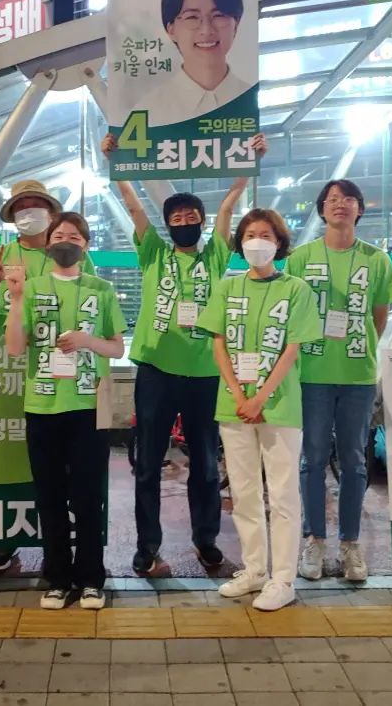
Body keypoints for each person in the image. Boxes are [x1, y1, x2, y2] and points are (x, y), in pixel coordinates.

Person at [101, 133, 265, 574]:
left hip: (206, 373)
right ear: (167, 225)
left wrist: (248, 165)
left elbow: (229, 207)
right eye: (176, 217)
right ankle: (147, 546)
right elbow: (134, 209)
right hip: (156, 370)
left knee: (207, 464)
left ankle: (205, 540)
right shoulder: (153, 253)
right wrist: (116, 163)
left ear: (202, 223)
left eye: (192, 217)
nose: (184, 222)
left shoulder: (215, 256)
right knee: (148, 464)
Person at [0, 179, 95, 573]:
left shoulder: (73, 254)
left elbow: (92, 308)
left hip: (63, 371)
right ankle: (8, 534)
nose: (30, 212)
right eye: (22, 206)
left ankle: (64, 541)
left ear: (53, 214)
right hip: (10, 369)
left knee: (65, 463)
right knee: (14, 455)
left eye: (38, 205)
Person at [196, 209, 321, 611]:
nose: (257, 242)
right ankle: (254, 571)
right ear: (240, 242)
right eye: (250, 234)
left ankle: (283, 579)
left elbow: (293, 348)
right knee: (244, 492)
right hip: (233, 405)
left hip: (280, 406)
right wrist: (238, 394)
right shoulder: (227, 288)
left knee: (282, 494)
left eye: (266, 235)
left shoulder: (296, 289)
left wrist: (260, 397)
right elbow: (218, 343)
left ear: (279, 243)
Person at [5, 212, 127, 610]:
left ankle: (91, 579)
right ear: (48, 244)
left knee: (89, 496)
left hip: (90, 404)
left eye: (74, 236)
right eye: (59, 235)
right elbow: (15, 347)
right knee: (50, 496)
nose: (65, 241)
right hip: (42, 405)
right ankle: (57, 578)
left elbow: (116, 347)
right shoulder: (32, 287)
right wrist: (16, 298)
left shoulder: (102, 288)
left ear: (85, 245)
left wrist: (87, 341)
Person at [286, 180, 392, 583]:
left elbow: (379, 317)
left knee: (354, 461)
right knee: (312, 459)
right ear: (321, 209)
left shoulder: (376, 259)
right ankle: (314, 539)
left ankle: (350, 543)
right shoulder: (301, 258)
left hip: (357, 376)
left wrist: (357, 346)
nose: (340, 204)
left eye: (348, 198)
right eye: (332, 199)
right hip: (312, 375)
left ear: (360, 209)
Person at [134, 0, 253, 127]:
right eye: (192, 17)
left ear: (236, 24)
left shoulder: (252, 100)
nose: (206, 30)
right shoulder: (147, 111)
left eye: (219, 15)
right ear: (171, 29)